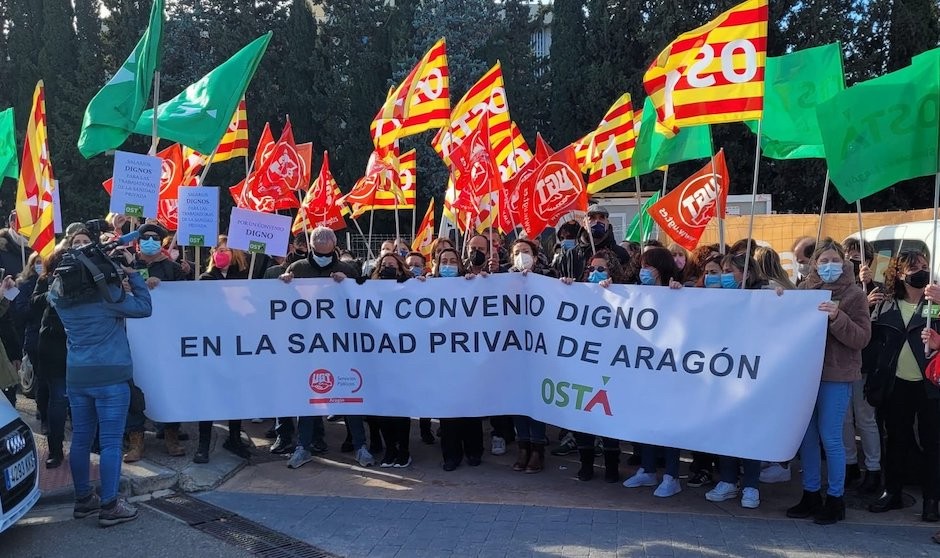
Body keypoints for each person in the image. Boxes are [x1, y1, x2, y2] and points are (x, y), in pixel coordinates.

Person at [48, 229, 154, 527]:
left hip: (77, 377)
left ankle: (84, 500)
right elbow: (144, 307)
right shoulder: (108, 297)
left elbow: (53, 290)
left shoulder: (59, 297)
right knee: (110, 442)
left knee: (81, 439)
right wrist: (132, 275)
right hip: (111, 377)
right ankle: (110, 505)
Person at [786, 238, 871, 525]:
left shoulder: (854, 295)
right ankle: (810, 493)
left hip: (836, 375)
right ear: (815, 264)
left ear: (844, 263)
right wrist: (779, 301)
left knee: (830, 437)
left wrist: (838, 317)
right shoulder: (803, 291)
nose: (830, 266)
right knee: (807, 437)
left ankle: (836, 499)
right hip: (805, 375)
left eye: (835, 260)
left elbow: (862, 338)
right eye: (824, 261)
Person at [280, 226, 374, 469]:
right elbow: (283, 301)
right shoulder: (298, 268)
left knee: (349, 394)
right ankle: (303, 447)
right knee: (308, 397)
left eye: (327, 253)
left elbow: (361, 298)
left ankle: (360, 446)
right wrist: (284, 282)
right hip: (308, 345)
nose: (323, 257)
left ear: (334, 248)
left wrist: (349, 283)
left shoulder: (346, 269)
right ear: (311, 247)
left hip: (341, 345)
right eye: (319, 253)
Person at [865, 250, 940, 521]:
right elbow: (869, 339)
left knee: (933, 442)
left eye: (925, 266)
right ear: (899, 274)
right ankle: (892, 491)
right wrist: (866, 306)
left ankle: (932, 500)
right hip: (895, 384)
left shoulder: (936, 303)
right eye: (914, 267)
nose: (921, 271)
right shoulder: (886, 304)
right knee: (896, 439)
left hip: (931, 385)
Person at [123, 222, 188, 461]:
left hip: (165, 338)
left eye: (155, 238)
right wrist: (124, 286)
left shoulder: (173, 269)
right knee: (134, 387)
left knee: (168, 385)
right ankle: (136, 441)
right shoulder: (128, 266)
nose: (150, 242)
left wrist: (163, 287)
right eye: (145, 238)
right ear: (138, 242)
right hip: (134, 338)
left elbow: (186, 300)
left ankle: (171, 436)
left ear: (161, 242)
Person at [560, 250, 625, 483]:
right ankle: (586, 464)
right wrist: (566, 288)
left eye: (601, 269)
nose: (595, 273)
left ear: (611, 271)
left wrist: (613, 292)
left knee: (608, 417)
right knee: (583, 416)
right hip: (583, 365)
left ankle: (611, 466)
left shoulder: (623, 293)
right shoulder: (579, 291)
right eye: (592, 269)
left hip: (610, 367)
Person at [622, 247, 682, 497]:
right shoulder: (637, 292)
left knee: (669, 423)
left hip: (669, 369)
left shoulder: (679, 291)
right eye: (641, 267)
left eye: (648, 266)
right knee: (644, 419)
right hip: (643, 369)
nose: (643, 271)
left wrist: (679, 292)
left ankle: (671, 475)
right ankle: (647, 470)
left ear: (660, 268)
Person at [194, 237, 253, 464]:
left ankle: (234, 438)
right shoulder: (206, 279)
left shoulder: (244, 278)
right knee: (209, 394)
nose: (222, 253)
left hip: (237, 343)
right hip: (213, 344)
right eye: (219, 249)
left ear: (234, 253)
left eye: (226, 249)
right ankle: (203, 444)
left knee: (235, 392)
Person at [424, 248, 483, 470]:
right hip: (441, 359)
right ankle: (451, 454)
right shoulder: (428, 286)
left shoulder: (470, 284)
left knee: (470, 407)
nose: (448, 265)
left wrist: (479, 282)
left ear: (460, 264)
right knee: (448, 410)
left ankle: (474, 450)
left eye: (452, 261)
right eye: (444, 261)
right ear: (437, 265)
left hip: (468, 357)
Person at [507, 239, 556, 474]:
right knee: (517, 399)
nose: (521, 256)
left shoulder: (549, 277)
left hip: (540, 349)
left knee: (536, 398)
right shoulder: (502, 279)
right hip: (512, 349)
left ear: (535, 256)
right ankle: (522, 446)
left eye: (525, 252)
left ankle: (537, 448)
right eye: (517, 252)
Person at [838, 240, 882, 492]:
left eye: (858, 257)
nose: (852, 262)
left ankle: (873, 469)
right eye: (848, 256)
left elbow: (874, 327)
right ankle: (849, 464)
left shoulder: (877, 289)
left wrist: (870, 288)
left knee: (865, 418)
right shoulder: (840, 288)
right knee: (844, 419)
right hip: (841, 362)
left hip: (864, 365)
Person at [369, 252, 416, 468]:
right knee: (383, 410)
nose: (388, 268)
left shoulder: (411, 288)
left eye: (392, 265)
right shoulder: (368, 289)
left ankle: (403, 450)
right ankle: (390, 449)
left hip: (403, 359)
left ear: (400, 269)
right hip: (378, 359)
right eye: (384, 264)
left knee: (400, 409)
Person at [31, 247, 70, 469]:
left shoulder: (88, 278)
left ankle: (91, 444)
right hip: (54, 347)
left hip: (81, 345)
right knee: (58, 399)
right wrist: (51, 294)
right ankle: (55, 449)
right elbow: (33, 303)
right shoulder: (46, 279)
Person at [554, 205, 630, 282]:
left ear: (607, 223)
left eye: (601, 218)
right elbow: (558, 280)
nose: (597, 221)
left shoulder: (620, 254)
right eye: (592, 218)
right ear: (584, 223)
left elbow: (629, 282)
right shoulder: (571, 255)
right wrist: (565, 281)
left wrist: (612, 283)